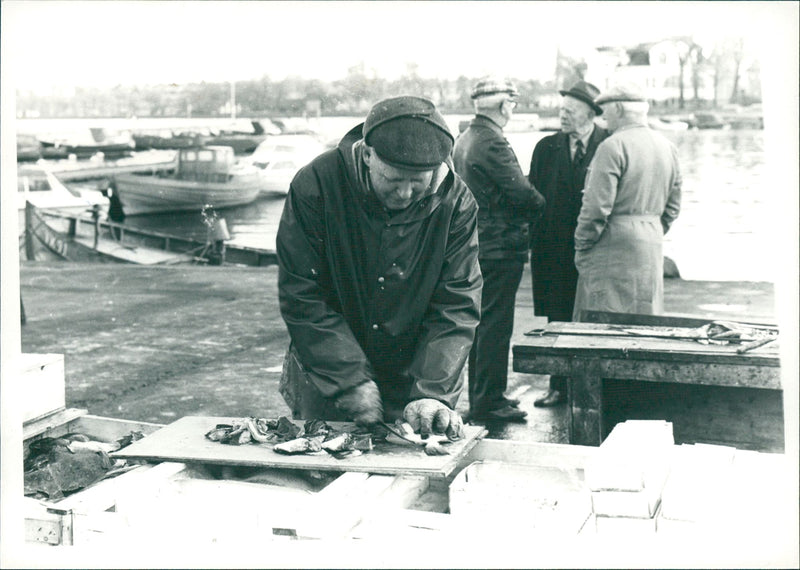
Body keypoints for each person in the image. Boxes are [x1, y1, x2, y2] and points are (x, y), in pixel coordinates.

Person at [276, 96, 481, 439]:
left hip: (414, 369)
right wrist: (346, 377)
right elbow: (302, 293)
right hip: (324, 369)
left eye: (418, 182)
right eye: (392, 178)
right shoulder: (315, 184)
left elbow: (457, 303)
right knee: (318, 464)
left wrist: (433, 392)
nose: (404, 193)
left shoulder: (458, 203)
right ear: (368, 154)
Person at [453, 77, 546, 422]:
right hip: (500, 246)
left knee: (480, 325)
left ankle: (482, 397)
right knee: (495, 325)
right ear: (505, 106)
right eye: (513, 104)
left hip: (477, 244)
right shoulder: (492, 142)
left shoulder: (466, 138)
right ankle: (489, 401)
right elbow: (521, 193)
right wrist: (542, 207)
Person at [528, 80, 609, 408]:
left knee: (596, 315)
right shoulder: (545, 147)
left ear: (590, 113)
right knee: (558, 317)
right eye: (561, 110)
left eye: (570, 111)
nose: (562, 116)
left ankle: (597, 387)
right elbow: (533, 197)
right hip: (554, 248)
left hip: (596, 247)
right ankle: (558, 386)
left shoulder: (609, 144)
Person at [572, 83, 682, 321]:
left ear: (619, 109)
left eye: (606, 112)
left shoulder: (612, 146)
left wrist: (582, 245)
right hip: (651, 240)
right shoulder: (667, 147)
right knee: (646, 318)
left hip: (612, 243)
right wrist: (652, 228)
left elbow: (595, 208)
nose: (604, 119)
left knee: (603, 318)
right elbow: (673, 206)